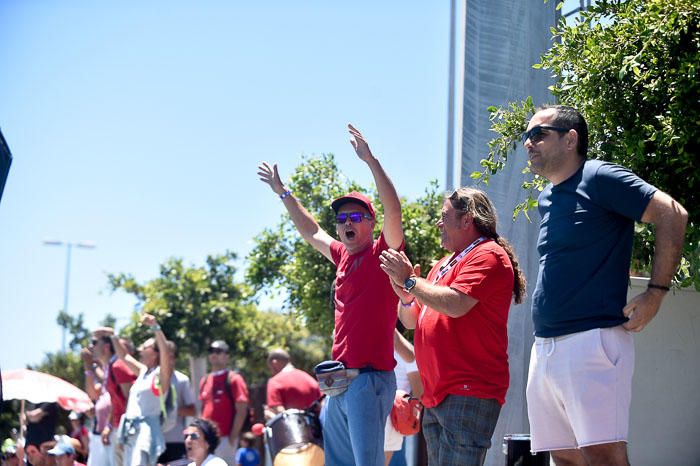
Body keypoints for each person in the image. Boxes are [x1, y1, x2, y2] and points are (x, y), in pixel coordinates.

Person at [521, 104, 688, 466]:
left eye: (538, 134)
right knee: (564, 458)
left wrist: (655, 293)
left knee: (604, 458)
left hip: (592, 341)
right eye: (525, 136)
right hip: (546, 347)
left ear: (570, 140)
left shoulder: (599, 176)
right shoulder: (547, 197)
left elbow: (672, 213)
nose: (528, 143)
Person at [258, 123, 404, 466]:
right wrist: (283, 193)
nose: (346, 223)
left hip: (368, 381)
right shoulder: (341, 255)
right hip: (336, 383)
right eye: (342, 219)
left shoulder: (382, 254)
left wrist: (370, 160)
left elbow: (393, 209)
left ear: (370, 222)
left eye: (356, 216)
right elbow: (311, 231)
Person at [380, 187, 526, 466]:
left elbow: (456, 304)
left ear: (467, 220)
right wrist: (406, 294)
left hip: (468, 390)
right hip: (437, 394)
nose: (438, 224)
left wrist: (411, 281)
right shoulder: (444, 264)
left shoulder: (488, 255)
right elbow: (411, 320)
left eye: (444, 216)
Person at [111, 313, 174, 466]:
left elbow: (165, 351)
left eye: (145, 348)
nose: (140, 350)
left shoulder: (161, 375)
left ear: (155, 353)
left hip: (146, 433)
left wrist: (155, 327)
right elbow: (123, 356)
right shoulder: (143, 372)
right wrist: (112, 336)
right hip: (131, 430)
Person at [82, 329, 136, 466]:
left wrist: (115, 427)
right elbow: (114, 401)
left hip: (123, 430)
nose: (91, 347)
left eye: (94, 342)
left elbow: (130, 400)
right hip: (116, 429)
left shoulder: (118, 366)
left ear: (106, 346)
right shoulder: (110, 367)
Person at [199, 340, 249, 466]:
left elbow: (242, 409)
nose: (214, 354)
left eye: (218, 351)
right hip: (206, 440)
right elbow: (203, 408)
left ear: (227, 356)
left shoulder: (234, 379)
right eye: (211, 351)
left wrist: (233, 437)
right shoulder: (205, 380)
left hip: (225, 439)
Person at [384, 329, 423, 466]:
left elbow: (419, 395)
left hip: (393, 420)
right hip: (393, 419)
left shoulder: (406, 352)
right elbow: (419, 395)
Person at [159, 341, 197, 464]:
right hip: (155, 440)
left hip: (176, 440)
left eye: (168, 356)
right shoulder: (151, 380)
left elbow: (192, 410)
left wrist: (169, 410)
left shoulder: (182, 380)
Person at [264, 349, 321, 420]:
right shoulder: (310, 379)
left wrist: (270, 416)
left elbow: (280, 413)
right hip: (318, 429)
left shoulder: (275, 381)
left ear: (274, 363)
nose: (271, 372)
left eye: (270, 368)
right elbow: (322, 406)